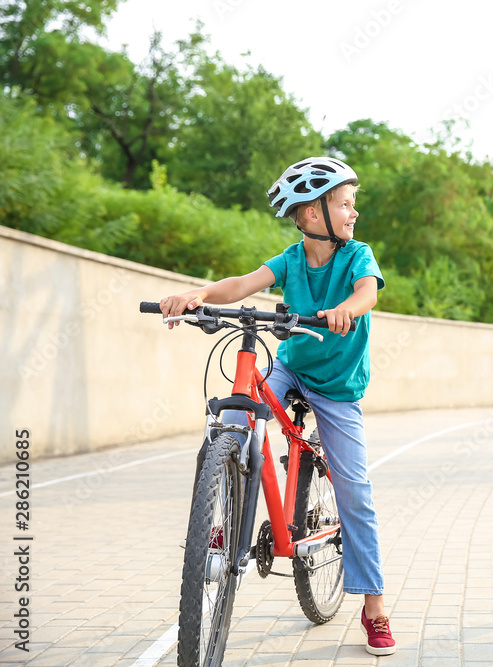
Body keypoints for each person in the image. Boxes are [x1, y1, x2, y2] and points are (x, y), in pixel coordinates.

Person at [159, 157, 395, 656]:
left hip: (337, 384)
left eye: (352, 204)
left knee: (354, 487)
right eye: (345, 204)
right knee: (235, 413)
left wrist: (345, 311)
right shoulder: (289, 259)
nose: (354, 213)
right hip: (293, 364)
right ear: (312, 215)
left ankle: (373, 606)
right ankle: (218, 511)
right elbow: (241, 286)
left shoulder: (357, 256)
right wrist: (198, 294)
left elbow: (367, 293)